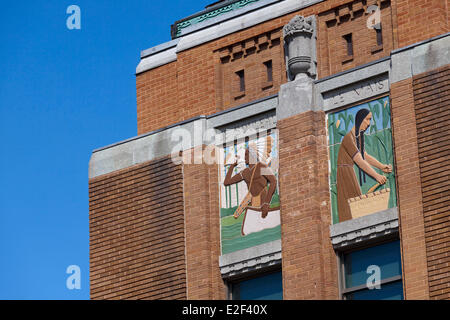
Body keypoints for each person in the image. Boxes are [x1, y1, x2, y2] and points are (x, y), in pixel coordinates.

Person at [336, 108, 392, 222]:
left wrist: (381, 166)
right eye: (367, 119)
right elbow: (360, 162)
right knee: (351, 207)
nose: (369, 123)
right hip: (345, 175)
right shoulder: (348, 138)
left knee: (356, 206)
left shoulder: (358, 137)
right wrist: (377, 176)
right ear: (360, 120)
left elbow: (364, 155)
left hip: (350, 172)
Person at [223, 146, 277, 219]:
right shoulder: (245, 172)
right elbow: (227, 182)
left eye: (246, 154)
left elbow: (273, 181)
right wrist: (232, 166)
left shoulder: (261, 166)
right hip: (253, 204)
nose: (245, 157)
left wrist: (267, 203)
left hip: (263, 202)